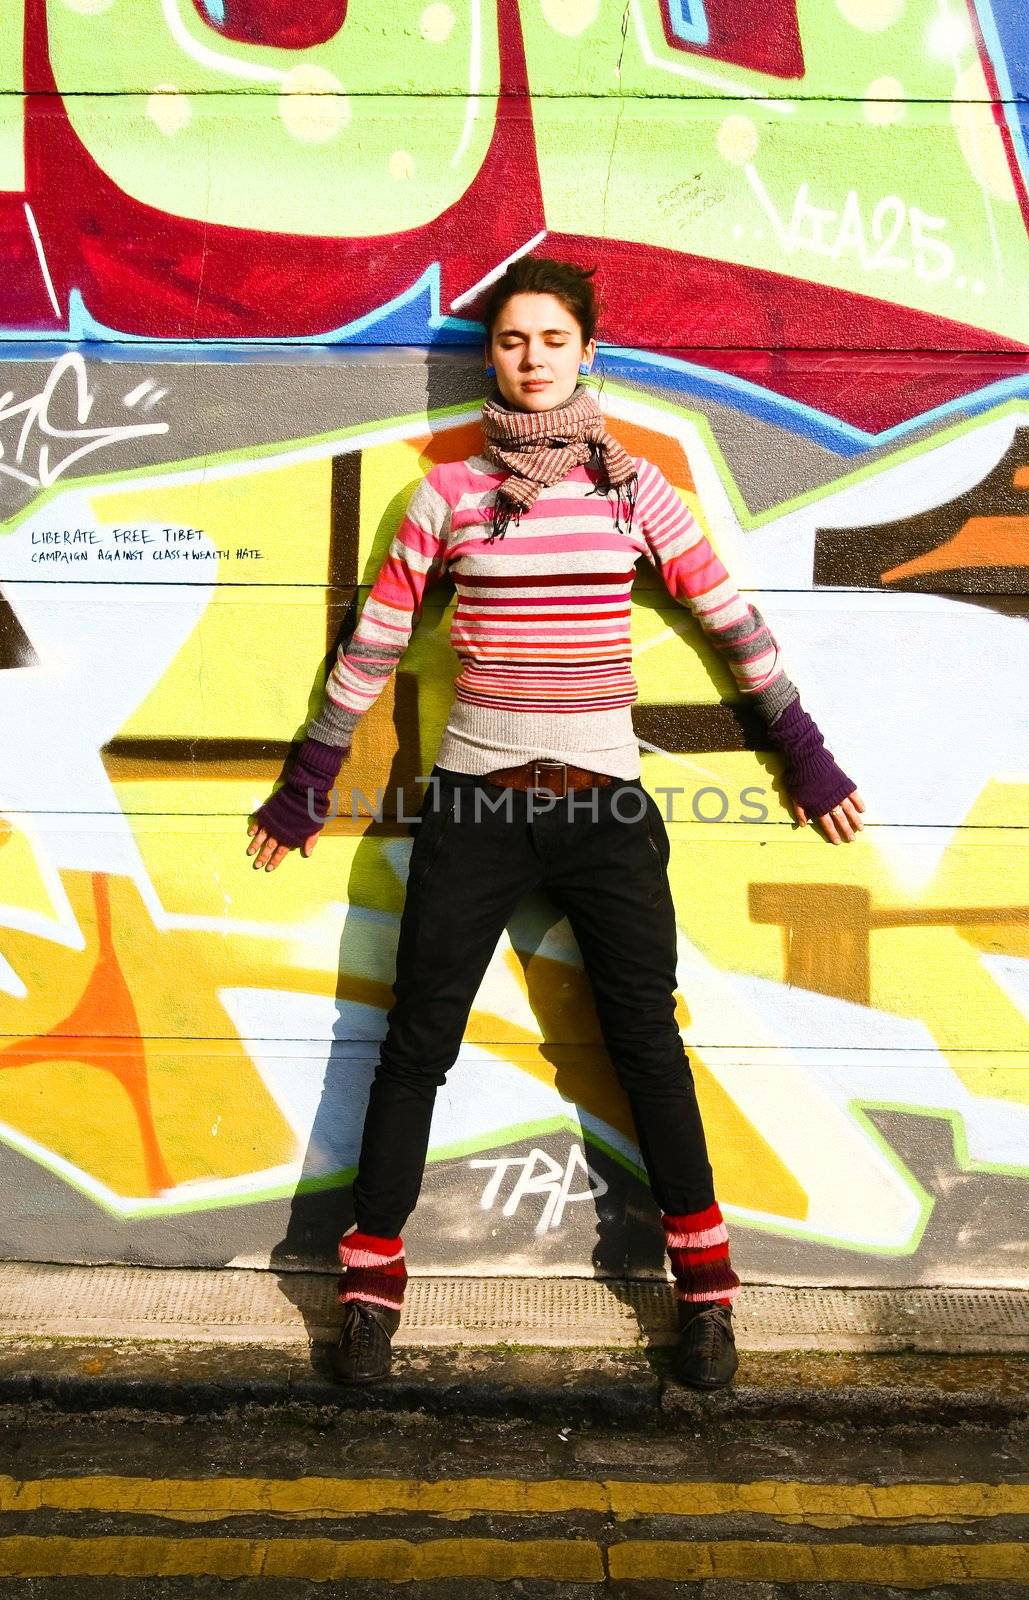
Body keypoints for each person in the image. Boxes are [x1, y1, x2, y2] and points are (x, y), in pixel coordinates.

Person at [247, 256, 865, 1391]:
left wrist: (805, 753)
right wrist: (305, 783)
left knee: (647, 1048)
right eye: (510, 340)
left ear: (588, 353)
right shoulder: (446, 496)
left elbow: (733, 624)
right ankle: (369, 1289)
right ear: (492, 357)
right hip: (473, 812)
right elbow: (374, 648)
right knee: (415, 1047)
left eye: (550, 339)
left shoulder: (633, 490)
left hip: (603, 815)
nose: (529, 358)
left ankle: (707, 1297)